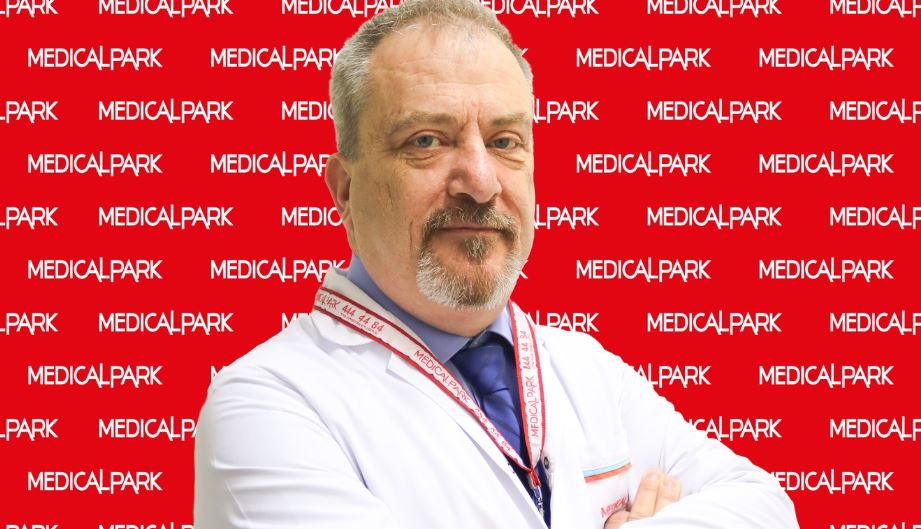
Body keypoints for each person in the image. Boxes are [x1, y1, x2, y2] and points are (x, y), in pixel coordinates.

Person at [193, 1, 800, 528]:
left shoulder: (586, 369)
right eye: (426, 140)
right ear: (345, 191)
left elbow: (767, 507)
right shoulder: (267, 405)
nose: (480, 183)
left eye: (505, 141)